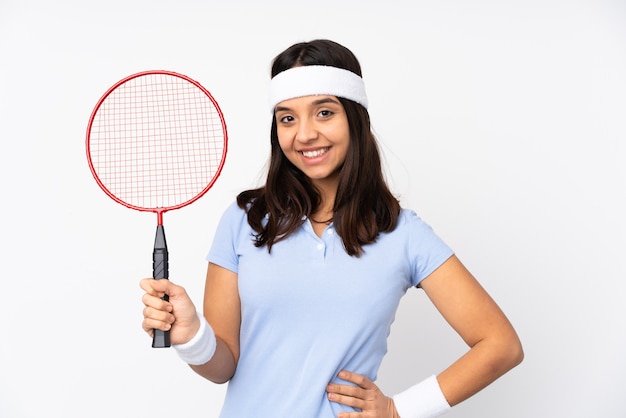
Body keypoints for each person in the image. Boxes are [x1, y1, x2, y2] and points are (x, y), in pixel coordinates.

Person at [140, 39, 523, 418]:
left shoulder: (402, 233)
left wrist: (398, 410)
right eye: (287, 118)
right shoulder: (245, 219)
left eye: (324, 113)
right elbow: (223, 366)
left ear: (355, 118)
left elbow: (501, 345)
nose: (304, 134)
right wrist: (192, 335)